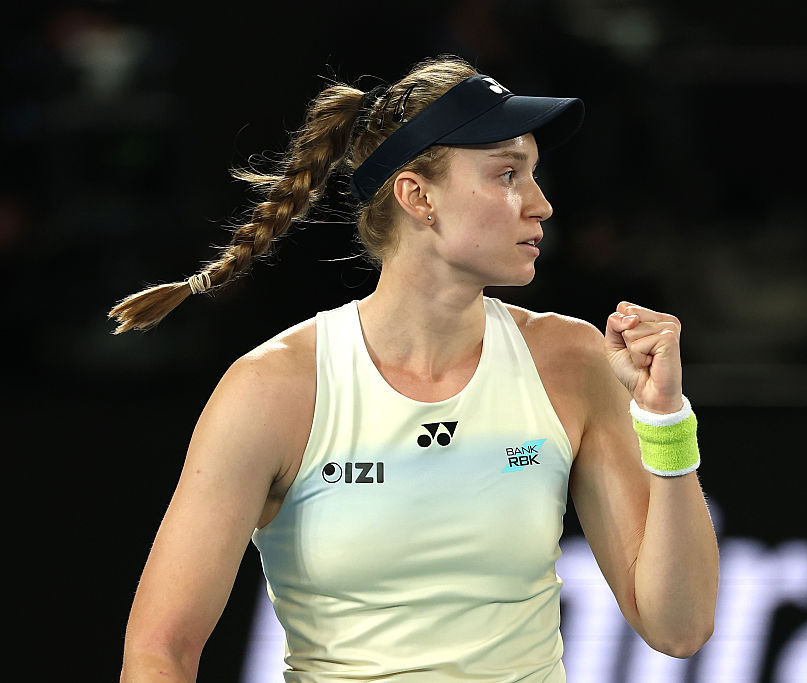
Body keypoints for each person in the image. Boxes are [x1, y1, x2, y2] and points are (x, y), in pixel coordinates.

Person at [112, 54, 719, 682]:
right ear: (417, 196)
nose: (540, 205)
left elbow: (679, 627)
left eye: (535, 174)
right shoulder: (273, 389)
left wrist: (665, 420)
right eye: (508, 174)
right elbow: (162, 650)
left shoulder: (573, 361)